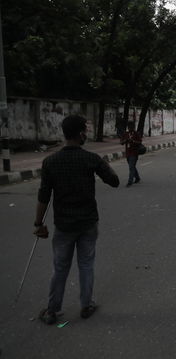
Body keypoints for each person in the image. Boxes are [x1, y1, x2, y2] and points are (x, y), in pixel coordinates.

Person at [35, 115, 120, 325]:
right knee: (86, 265)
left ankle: (51, 311)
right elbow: (115, 181)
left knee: (60, 268)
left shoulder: (50, 162)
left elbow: (43, 196)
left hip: (63, 226)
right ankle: (85, 305)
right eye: (85, 132)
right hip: (88, 223)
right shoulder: (91, 159)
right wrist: (103, 162)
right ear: (82, 133)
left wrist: (38, 224)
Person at [120, 121, 142, 188]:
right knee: (132, 167)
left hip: (134, 153)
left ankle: (130, 181)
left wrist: (132, 141)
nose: (130, 129)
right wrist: (125, 141)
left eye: (131, 127)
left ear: (134, 127)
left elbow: (140, 142)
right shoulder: (125, 134)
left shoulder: (137, 134)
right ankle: (137, 177)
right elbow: (121, 142)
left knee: (131, 167)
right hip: (127, 153)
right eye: (129, 127)